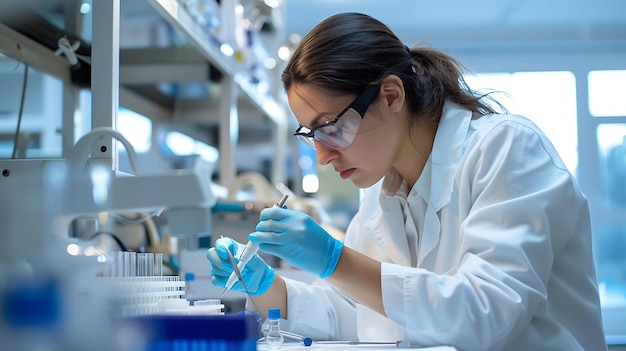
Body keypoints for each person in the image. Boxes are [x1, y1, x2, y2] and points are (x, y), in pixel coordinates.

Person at [207, 12, 607, 351]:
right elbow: (364, 316)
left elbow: (487, 315)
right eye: (311, 135)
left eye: (330, 128)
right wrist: (265, 287)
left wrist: (335, 259)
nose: (324, 156)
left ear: (392, 96)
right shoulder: (381, 194)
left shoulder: (505, 148)